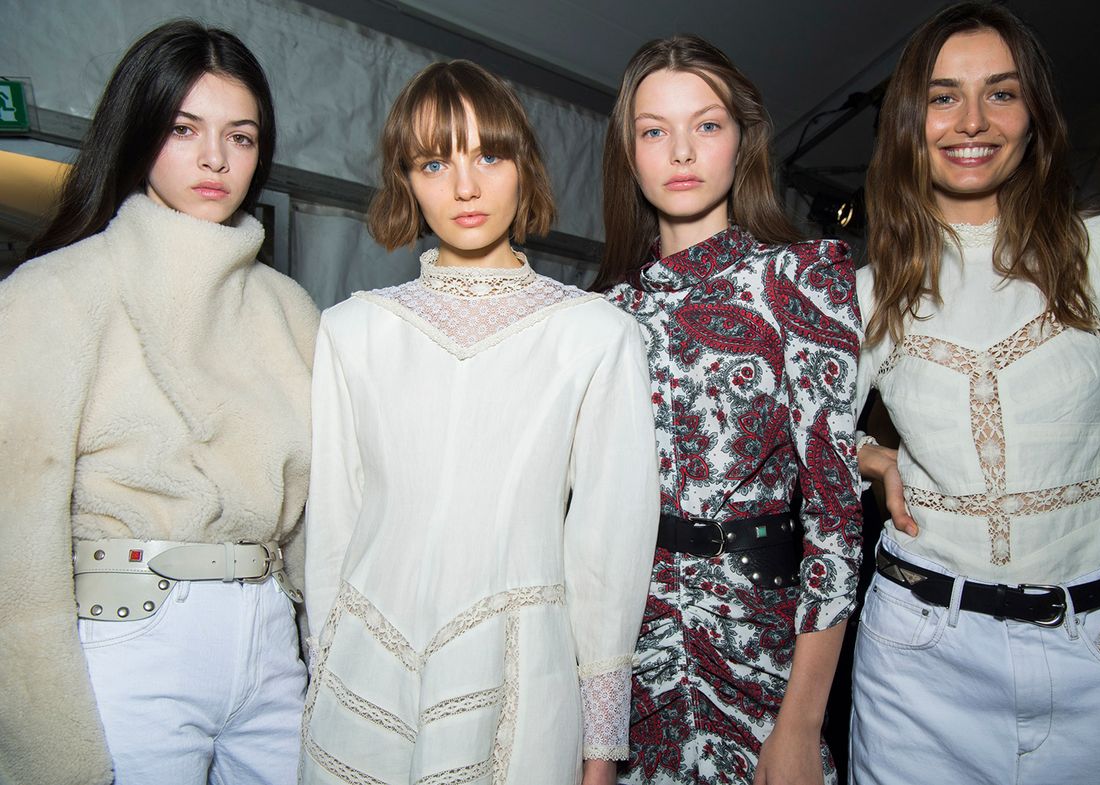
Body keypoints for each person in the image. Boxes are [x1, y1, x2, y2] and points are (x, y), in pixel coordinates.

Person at [848, 4, 1100, 784]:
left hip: (1094, 658)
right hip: (915, 663)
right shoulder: (873, 294)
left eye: (1000, 93)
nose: (972, 120)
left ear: (1035, 115)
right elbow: (785, 436)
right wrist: (870, 455)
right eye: (943, 96)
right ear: (909, 121)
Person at [299, 59, 659, 785]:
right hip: (364, 675)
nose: (465, 186)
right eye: (434, 161)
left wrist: (600, 750)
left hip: (525, 686)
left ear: (524, 166)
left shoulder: (596, 335)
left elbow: (607, 559)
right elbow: (331, 534)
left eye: (488, 155)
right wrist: (320, 675)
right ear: (407, 181)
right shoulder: (350, 332)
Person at [0, 20, 318, 785]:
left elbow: (320, 518)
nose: (216, 158)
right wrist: (41, 727)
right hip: (128, 634)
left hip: (270, 636)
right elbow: (15, 534)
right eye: (185, 129)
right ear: (140, 129)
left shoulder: (291, 309)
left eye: (241, 137)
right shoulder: (52, 294)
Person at [593, 35, 863, 785]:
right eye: (654, 130)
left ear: (743, 140)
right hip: (632, 660)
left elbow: (836, 521)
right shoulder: (602, 316)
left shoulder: (801, 280)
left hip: (764, 655)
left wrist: (803, 722)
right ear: (630, 152)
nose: (681, 150)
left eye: (706, 125)